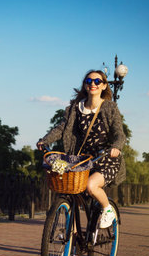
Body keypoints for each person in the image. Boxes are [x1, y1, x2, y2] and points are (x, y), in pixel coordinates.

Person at [37, 69, 126, 229]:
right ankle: (72, 244)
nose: (93, 84)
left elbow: (119, 134)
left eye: (97, 81)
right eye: (89, 81)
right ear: (85, 85)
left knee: (91, 186)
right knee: (70, 192)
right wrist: (44, 140)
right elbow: (62, 128)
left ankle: (107, 210)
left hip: (106, 159)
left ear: (104, 85)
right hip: (83, 160)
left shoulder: (110, 108)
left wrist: (116, 147)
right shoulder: (75, 108)